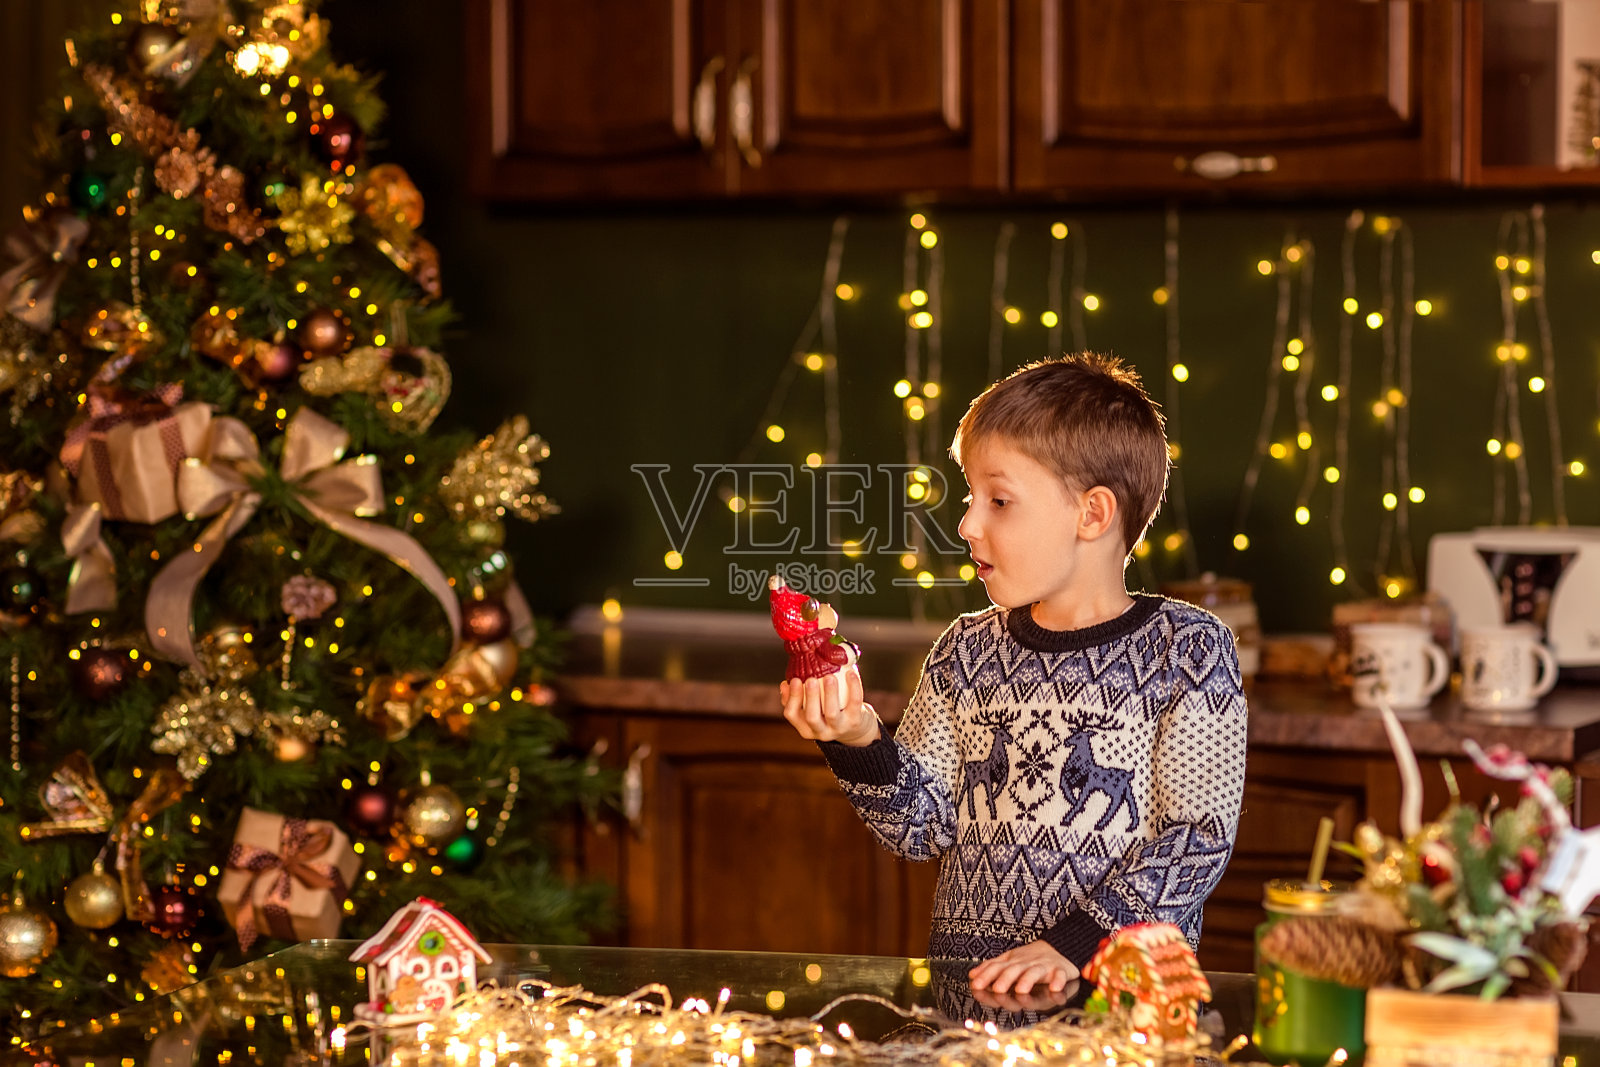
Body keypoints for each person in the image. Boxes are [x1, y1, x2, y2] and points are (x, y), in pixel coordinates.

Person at [780, 352, 1247, 1000]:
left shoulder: (1189, 649)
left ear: (1092, 514)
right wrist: (856, 737)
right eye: (971, 497)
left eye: (998, 500)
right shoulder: (965, 650)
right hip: (972, 1006)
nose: (967, 524)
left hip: (1120, 1011)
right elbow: (922, 828)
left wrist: (1072, 946)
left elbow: (1197, 840)